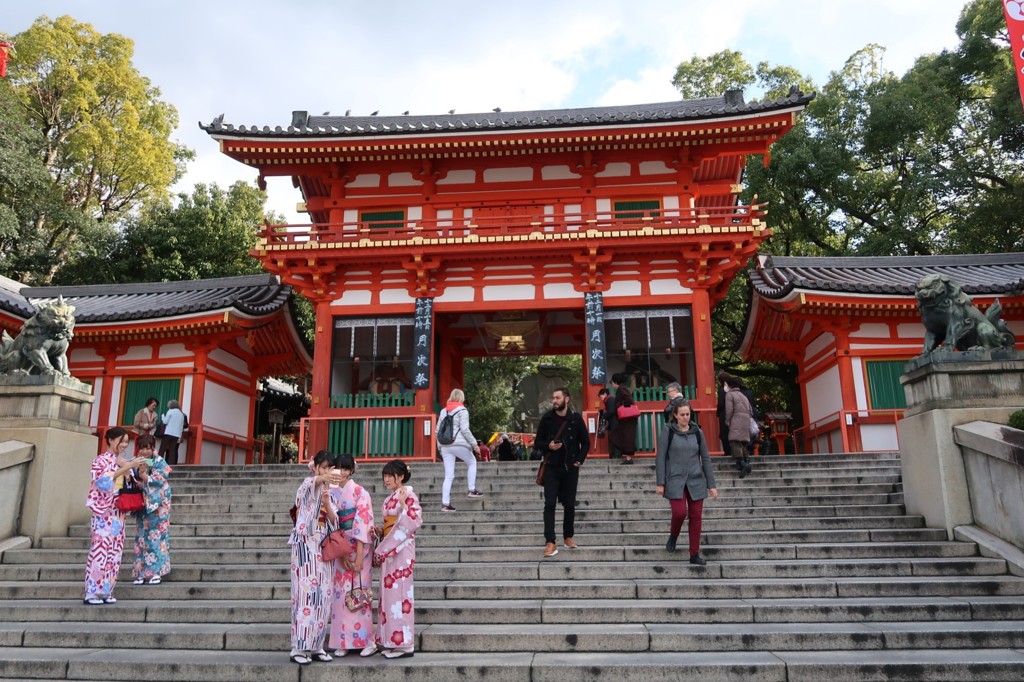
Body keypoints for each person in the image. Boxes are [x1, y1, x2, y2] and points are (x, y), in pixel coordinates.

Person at [364, 459, 422, 659]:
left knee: (400, 595)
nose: (386, 479)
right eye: (385, 476)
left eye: (390, 476)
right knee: (389, 597)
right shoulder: (391, 498)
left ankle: (404, 644)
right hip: (390, 549)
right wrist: (380, 531)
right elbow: (390, 523)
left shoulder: (408, 495)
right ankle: (390, 641)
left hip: (401, 549)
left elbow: (413, 520)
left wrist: (385, 546)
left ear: (401, 476)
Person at [289, 450, 342, 665]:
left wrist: (328, 504)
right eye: (325, 467)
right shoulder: (308, 484)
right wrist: (320, 479)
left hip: (323, 544)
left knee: (324, 594)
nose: (328, 471)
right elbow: (302, 496)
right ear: (316, 467)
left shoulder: (330, 491)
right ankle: (299, 647)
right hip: (305, 544)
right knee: (305, 595)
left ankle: (317, 645)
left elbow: (335, 521)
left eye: (331, 468)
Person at [83, 427, 146, 605]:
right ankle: (92, 592)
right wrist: (125, 467)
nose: (124, 444)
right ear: (110, 440)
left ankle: (107, 591)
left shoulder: (121, 460)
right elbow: (102, 482)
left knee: (115, 553)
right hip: (104, 512)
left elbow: (129, 485)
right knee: (100, 551)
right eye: (121, 440)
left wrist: (129, 473)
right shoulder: (100, 460)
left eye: (126, 441)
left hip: (118, 512)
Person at [655, 400, 718, 565]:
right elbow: (660, 458)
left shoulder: (698, 432)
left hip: (696, 479)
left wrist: (711, 485)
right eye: (682, 414)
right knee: (679, 512)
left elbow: (705, 458)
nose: (685, 417)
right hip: (675, 479)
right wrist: (660, 482)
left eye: (688, 414)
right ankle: (674, 535)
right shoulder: (668, 432)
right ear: (675, 415)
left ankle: (694, 554)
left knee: (696, 516)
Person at [328, 453, 375, 658]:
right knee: (340, 596)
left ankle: (367, 641)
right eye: (339, 468)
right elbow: (332, 523)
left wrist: (356, 555)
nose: (343, 473)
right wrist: (340, 551)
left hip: (359, 549)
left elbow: (363, 523)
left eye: (346, 469)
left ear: (352, 470)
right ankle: (343, 641)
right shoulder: (332, 493)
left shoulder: (360, 492)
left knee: (359, 593)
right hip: (341, 548)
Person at [535, 387, 590, 558]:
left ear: (567, 399)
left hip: (570, 468)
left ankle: (568, 537)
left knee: (569, 504)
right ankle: (550, 541)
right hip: (551, 466)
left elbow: (586, 442)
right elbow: (537, 443)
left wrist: (579, 460)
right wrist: (548, 446)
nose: (554, 401)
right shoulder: (547, 418)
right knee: (549, 504)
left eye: (558, 398)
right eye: (553, 398)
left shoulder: (575, 419)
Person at [130, 435, 172, 585]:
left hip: (158, 505)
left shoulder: (159, 461)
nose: (144, 451)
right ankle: (140, 572)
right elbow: (131, 478)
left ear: (153, 448)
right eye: (142, 448)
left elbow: (160, 480)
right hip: (143, 504)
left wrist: (144, 476)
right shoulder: (136, 461)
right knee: (141, 537)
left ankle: (156, 572)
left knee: (156, 538)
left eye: (147, 448)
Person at [437, 388, 483, 511]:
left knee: (449, 475)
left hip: (445, 446)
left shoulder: (443, 411)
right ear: (461, 398)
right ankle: (472, 489)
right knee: (472, 462)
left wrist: (440, 447)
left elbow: (438, 431)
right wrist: (474, 445)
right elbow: (465, 430)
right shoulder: (462, 411)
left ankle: (445, 504)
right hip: (459, 444)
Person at [722, 374, 753, 478]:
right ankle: (745, 462)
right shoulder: (743, 395)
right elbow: (750, 410)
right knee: (743, 442)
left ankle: (742, 464)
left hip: (736, 420)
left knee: (734, 441)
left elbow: (729, 410)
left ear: (730, 385)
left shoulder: (730, 395)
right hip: (745, 420)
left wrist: (727, 421)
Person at [610, 372, 638, 465]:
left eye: (612, 382)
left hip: (628, 419)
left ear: (615, 382)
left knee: (627, 437)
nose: (612, 384)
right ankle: (626, 456)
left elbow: (629, 400)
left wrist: (622, 405)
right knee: (620, 436)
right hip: (626, 419)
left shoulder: (621, 388)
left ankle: (629, 458)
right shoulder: (622, 388)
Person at [158, 400, 187, 465]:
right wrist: (179, 436)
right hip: (176, 435)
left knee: (162, 448)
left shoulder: (170, 411)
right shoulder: (181, 414)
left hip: (168, 432)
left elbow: (165, 422)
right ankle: (171, 465)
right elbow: (181, 426)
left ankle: (159, 463)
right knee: (172, 450)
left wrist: (163, 416)